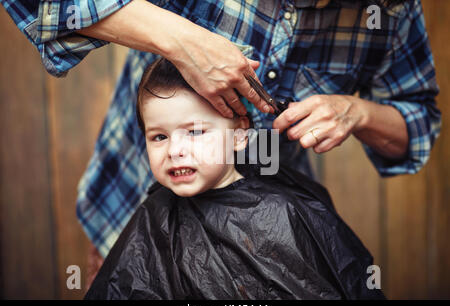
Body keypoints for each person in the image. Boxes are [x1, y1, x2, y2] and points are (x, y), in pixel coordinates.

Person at [1, 0, 441, 259]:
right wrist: (179, 40)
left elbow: (419, 121)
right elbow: (45, 8)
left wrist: (358, 112)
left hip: (265, 237)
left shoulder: (392, 11)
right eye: (165, 137)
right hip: (129, 210)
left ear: (242, 132)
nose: (178, 150)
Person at [84, 57, 385, 299]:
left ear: (240, 135)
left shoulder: (284, 212)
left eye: (195, 131)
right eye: (159, 136)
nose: (175, 150)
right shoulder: (151, 220)